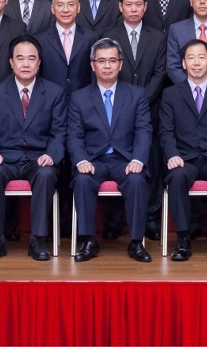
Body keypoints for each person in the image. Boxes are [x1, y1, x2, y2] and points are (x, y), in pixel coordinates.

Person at [0, 36, 68, 261]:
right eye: (20, 58)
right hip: (5, 158)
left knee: (47, 174)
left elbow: (60, 133)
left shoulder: (54, 93)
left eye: (31, 59)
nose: (26, 64)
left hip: (39, 158)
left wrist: (51, 154)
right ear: (11, 62)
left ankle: (37, 239)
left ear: (39, 63)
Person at [67, 38, 154, 263]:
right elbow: (74, 135)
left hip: (124, 159)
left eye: (112, 60)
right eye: (101, 61)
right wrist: (81, 160)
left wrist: (138, 159)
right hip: (93, 159)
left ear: (121, 64)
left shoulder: (137, 94)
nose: (107, 65)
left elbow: (144, 131)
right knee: (82, 180)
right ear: (92, 64)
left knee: (137, 180)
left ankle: (136, 242)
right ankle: (88, 240)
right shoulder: (79, 97)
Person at [100, 0, 169, 241]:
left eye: (138, 4)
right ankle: (114, 221)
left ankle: (150, 220)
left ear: (145, 7)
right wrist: (126, 105)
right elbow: (105, 72)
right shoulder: (108, 36)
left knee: (148, 166)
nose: (133, 9)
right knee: (116, 165)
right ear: (120, 6)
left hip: (150, 112)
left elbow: (160, 73)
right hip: (114, 115)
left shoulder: (158, 36)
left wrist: (139, 101)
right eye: (128, 4)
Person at [160, 39, 207, 262]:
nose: (196, 62)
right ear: (183, 63)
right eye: (191, 58)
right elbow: (165, 132)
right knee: (176, 177)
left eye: (201, 57)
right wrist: (172, 155)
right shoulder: (171, 94)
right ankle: (183, 239)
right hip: (184, 159)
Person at [38, 0, 96, 99]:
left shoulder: (91, 38)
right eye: (60, 5)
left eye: (70, 5)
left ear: (78, 8)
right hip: (49, 101)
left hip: (83, 102)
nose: (65, 10)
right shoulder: (40, 39)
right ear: (52, 9)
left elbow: (94, 74)